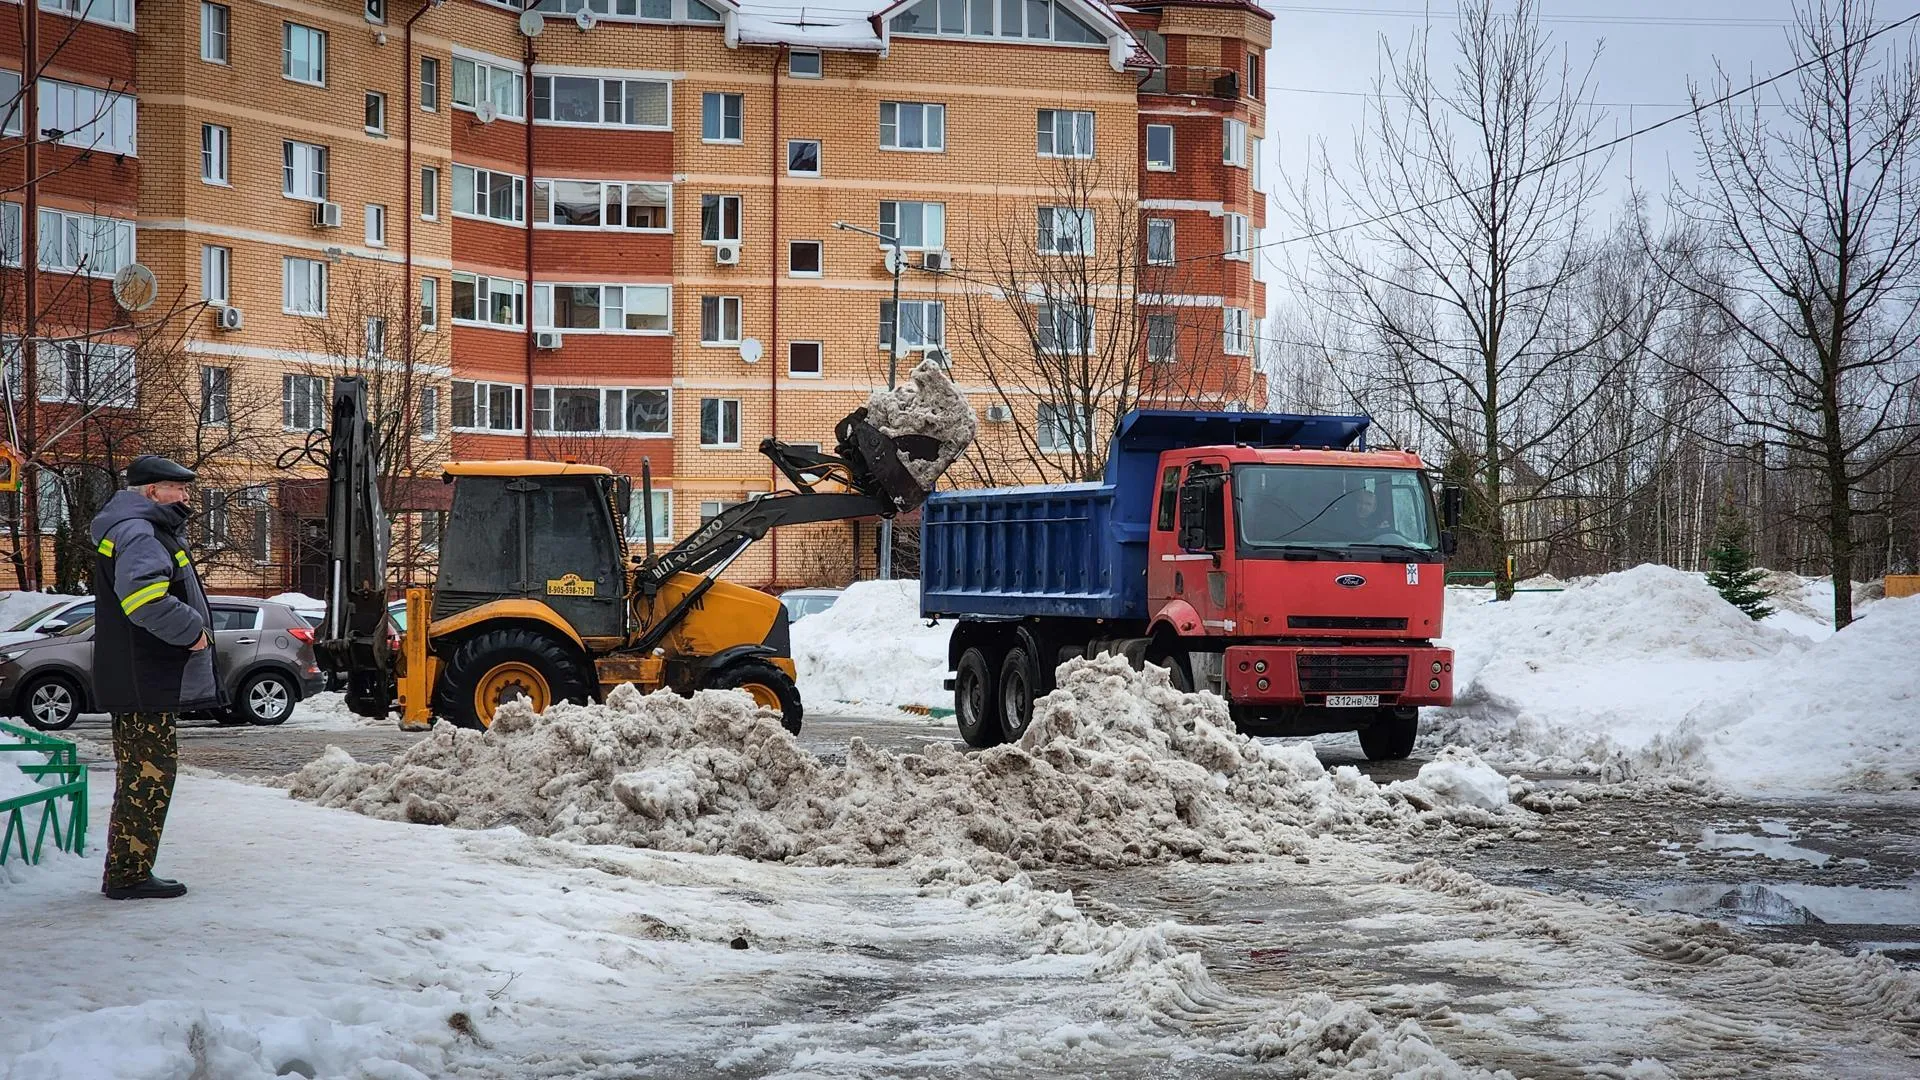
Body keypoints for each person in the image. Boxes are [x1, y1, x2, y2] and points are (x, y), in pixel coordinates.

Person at [88, 454, 225, 900]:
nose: (186, 497)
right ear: (152, 492)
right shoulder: (141, 532)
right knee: (149, 774)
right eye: (178, 489)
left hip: (136, 672)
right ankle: (129, 875)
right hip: (142, 675)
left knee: (142, 773)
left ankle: (127, 870)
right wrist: (194, 634)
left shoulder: (134, 528)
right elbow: (144, 600)